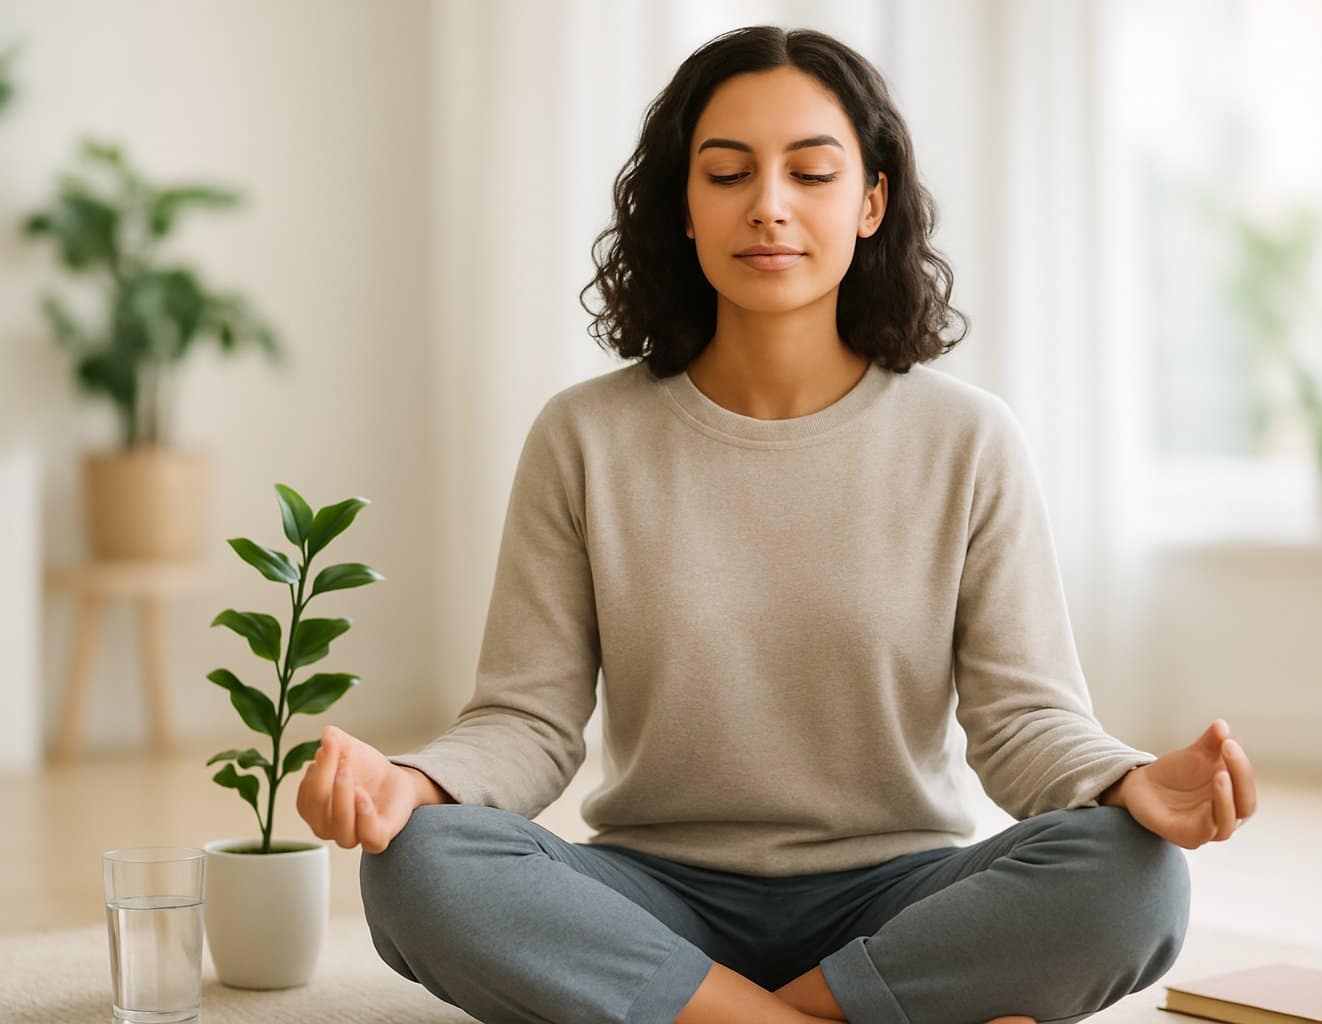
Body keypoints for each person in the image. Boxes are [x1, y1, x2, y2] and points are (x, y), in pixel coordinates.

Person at [296, 24, 1258, 1024]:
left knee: (1135, 877)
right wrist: (413, 781)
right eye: (727, 173)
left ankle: (699, 1014)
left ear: (871, 201)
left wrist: (1129, 781)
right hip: (653, 895)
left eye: (811, 172)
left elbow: (1023, 724)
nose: (769, 207)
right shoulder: (583, 435)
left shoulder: (968, 439)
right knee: (416, 865)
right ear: (684, 203)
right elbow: (527, 721)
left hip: (898, 896)